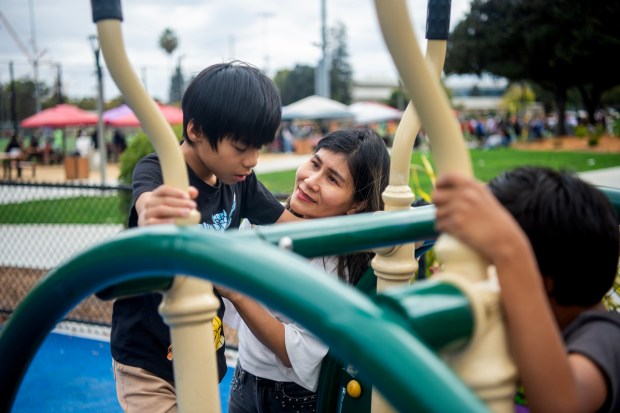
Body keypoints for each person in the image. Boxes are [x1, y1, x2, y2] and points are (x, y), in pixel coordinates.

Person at [110, 61, 300, 413]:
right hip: (148, 356)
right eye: (242, 147)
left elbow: (291, 225)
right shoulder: (161, 169)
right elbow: (148, 200)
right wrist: (152, 210)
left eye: (259, 147)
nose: (252, 160)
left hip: (200, 346)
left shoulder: (239, 185)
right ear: (195, 129)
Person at [219, 128, 391, 413]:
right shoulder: (261, 221)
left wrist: (238, 293)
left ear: (357, 203)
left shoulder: (340, 263)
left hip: (293, 398)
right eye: (315, 163)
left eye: (332, 179)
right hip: (244, 377)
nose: (311, 181)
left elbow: (293, 352)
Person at [432, 166, 620, 413]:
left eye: (490, 266)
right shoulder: (546, 327)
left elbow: (561, 405)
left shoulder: (607, 336)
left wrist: (509, 251)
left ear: (538, 281)